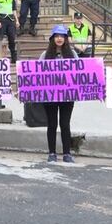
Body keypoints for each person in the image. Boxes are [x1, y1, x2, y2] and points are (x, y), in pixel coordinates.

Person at [39, 25, 78, 163]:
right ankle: (52, 153)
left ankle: (67, 153)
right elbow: (37, 75)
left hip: (67, 96)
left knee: (65, 124)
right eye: (56, 36)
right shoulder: (45, 55)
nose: (59, 39)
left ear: (66, 38)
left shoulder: (73, 54)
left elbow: (80, 73)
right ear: (52, 38)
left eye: (62, 36)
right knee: (52, 124)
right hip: (50, 96)